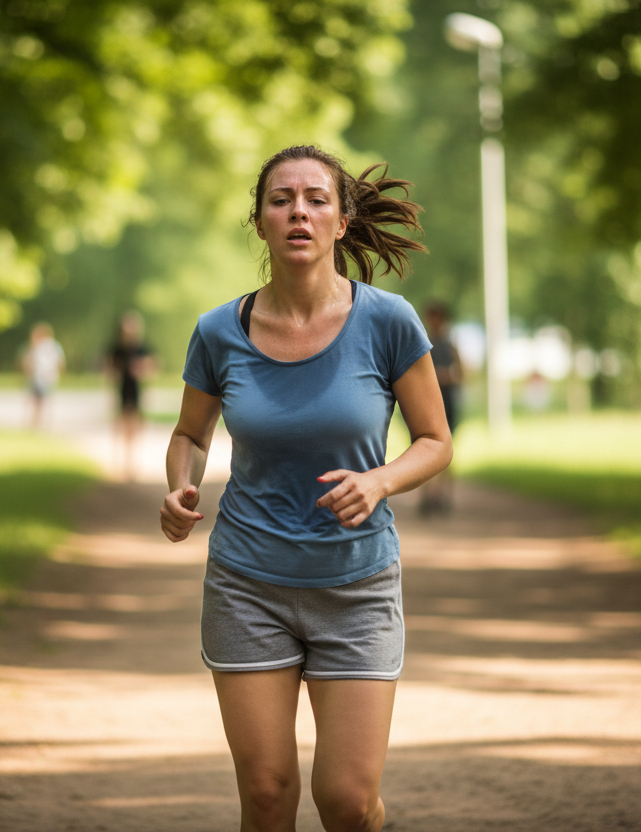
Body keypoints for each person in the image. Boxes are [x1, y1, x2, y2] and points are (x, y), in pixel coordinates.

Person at [160, 145, 453, 832]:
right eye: (281, 199)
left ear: (341, 221)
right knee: (266, 795)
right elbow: (191, 437)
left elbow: (436, 442)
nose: (298, 211)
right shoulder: (217, 332)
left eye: (316, 199)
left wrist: (380, 480)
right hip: (247, 583)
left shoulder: (388, 323)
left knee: (348, 804)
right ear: (260, 221)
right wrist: (180, 487)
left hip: (356, 584)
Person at [418, 300, 463, 516]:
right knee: (421, 450)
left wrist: (444, 376)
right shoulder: (422, 342)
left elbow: (461, 374)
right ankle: (426, 497)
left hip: (447, 405)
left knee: (446, 450)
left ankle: (443, 496)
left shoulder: (449, 346)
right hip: (425, 406)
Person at [106, 310, 156, 480]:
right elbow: (108, 368)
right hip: (121, 390)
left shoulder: (141, 349)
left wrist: (141, 369)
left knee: (134, 429)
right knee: (120, 427)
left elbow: (151, 368)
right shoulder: (117, 349)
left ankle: (132, 464)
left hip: (135, 392)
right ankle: (119, 464)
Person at [21, 322, 64, 429]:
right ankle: (36, 422)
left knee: (40, 400)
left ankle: (37, 423)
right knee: (38, 400)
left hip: (43, 377)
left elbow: (58, 362)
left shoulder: (49, 346)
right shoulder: (41, 346)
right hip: (40, 377)